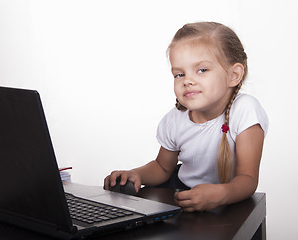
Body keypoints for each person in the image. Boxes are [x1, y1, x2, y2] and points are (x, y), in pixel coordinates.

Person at [103, 22, 269, 212]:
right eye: (179, 74)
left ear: (234, 75)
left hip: (228, 198)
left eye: (202, 70)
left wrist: (219, 195)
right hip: (180, 193)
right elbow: (163, 168)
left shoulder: (245, 110)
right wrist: (135, 173)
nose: (187, 81)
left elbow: (247, 179)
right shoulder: (175, 119)